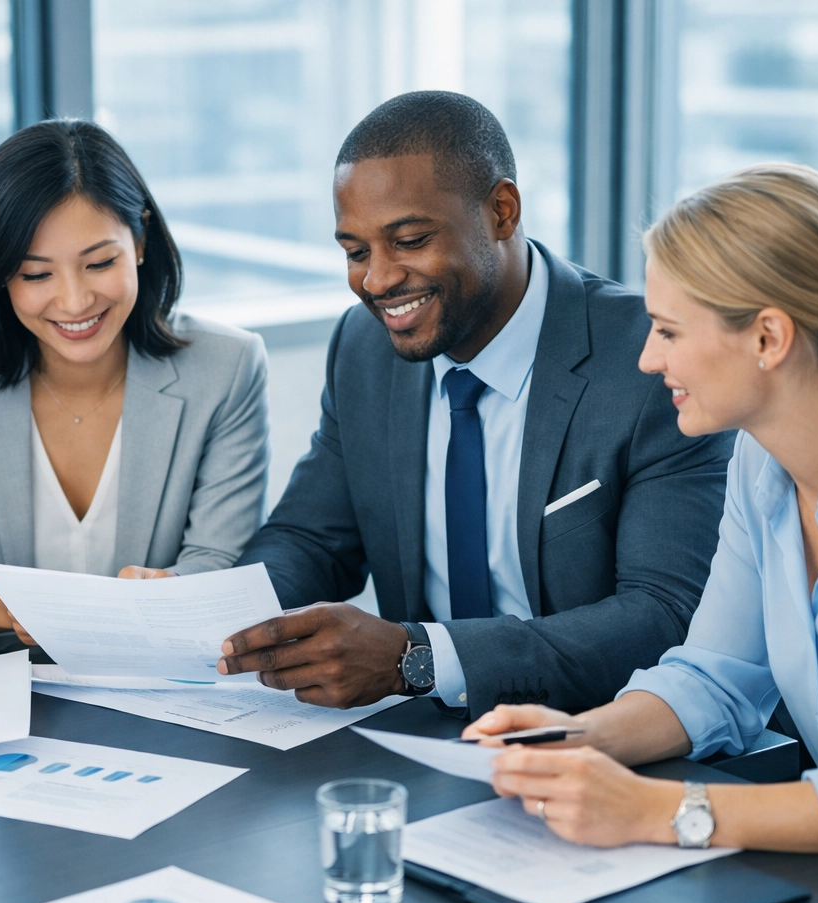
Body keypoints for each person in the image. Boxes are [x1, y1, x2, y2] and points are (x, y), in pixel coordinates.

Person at [464, 163, 818, 862]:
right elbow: (715, 677)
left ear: (768, 338)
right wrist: (576, 739)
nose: (646, 359)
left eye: (668, 331)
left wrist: (656, 810)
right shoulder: (762, 463)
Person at [202, 91, 731, 714]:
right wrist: (220, 620)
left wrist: (417, 658)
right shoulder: (363, 348)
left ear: (502, 211)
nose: (377, 280)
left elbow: (665, 615)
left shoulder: (648, 362)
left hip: (598, 729)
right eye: (356, 252)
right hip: (420, 733)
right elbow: (312, 539)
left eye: (409, 240)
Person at [0, 119, 269, 650]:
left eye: (100, 262)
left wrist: (169, 592)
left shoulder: (228, 367)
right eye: (36, 274)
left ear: (140, 241)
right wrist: (15, 609)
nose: (75, 301)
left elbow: (221, 562)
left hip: (162, 675)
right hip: (0, 677)